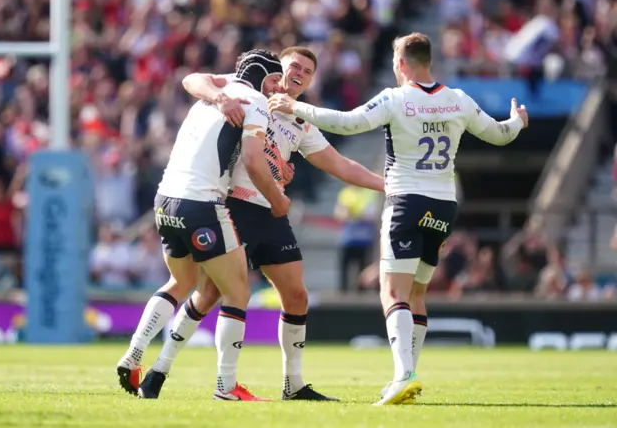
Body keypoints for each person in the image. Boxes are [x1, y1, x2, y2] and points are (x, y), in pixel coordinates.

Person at [267, 32, 529, 405]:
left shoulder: (395, 98)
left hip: (406, 201)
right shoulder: (457, 99)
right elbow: (500, 135)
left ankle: (403, 374)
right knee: (417, 293)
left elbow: (347, 123)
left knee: (392, 292)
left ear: (402, 63)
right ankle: (408, 375)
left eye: (394, 62)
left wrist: (297, 108)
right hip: (443, 206)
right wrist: (517, 121)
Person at [137, 46, 384, 401]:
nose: (299, 74)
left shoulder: (299, 119)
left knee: (296, 295)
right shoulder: (248, 94)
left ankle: (293, 384)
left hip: (269, 212)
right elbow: (193, 79)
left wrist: (384, 184)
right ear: (276, 70)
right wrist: (222, 99)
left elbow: (340, 165)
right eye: (294, 66)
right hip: (233, 205)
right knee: (208, 294)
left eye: (308, 71)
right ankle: (160, 369)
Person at [116, 49, 287, 402]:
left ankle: (134, 354)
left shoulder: (211, 94)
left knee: (182, 281)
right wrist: (277, 199)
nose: (275, 88)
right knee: (237, 293)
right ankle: (226, 386)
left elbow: (192, 78)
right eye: (273, 80)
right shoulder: (253, 100)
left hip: (165, 200)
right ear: (260, 76)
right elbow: (254, 161)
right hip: (203, 204)